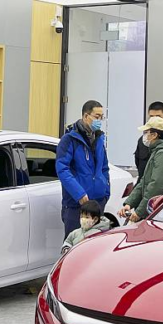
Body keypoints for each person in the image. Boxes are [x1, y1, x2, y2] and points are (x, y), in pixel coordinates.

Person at [56, 100, 110, 237]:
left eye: (102, 117)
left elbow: (104, 168)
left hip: (98, 202)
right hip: (76, 204)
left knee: (95, 244)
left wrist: (106, 191)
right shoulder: (69, 139)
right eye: (97, 117)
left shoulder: (99, 139)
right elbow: (62, 169)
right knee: (74, 243)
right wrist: (79, 193)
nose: (99, 121)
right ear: (86, 116)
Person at [119, 117, 163, 223]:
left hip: (160, 209)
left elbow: (157, 186)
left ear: (154, 135)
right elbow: (144, 181)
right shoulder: (156, 152)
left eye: (146, 132)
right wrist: (129, 204)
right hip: (154, 208)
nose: (145, 136)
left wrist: (140, 212)